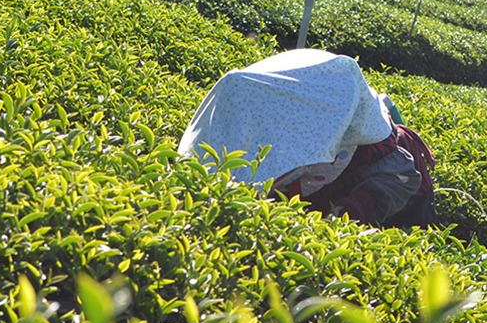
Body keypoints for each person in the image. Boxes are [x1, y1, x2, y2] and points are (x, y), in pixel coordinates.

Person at [178, 48, 436, 228]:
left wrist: (340, 219)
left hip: (403, 199)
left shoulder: (384, 157)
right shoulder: (254, 100)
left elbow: (393, 187)